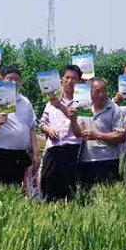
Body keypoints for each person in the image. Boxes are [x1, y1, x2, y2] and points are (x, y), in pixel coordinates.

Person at [0, 67, 37, 188]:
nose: (13, 82)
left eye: (17, 79)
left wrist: (35, 153)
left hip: (21, 155)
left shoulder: (25, 102)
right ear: (1, 79)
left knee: (20, 191)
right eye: (10, 79)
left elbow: (31, 128)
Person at [38, 64, 84, 201]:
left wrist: (60, 107)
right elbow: (42, 123)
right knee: (47, 180)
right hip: (53, 147)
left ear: (79, 81)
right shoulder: (51, 102)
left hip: (72, 149)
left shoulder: (82, 103)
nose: (70, 81)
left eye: (74, 78)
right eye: (67, 78)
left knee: (67, 186)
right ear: (61, 80)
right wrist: (48, 129)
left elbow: (79, 129)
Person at [78, 78, 126, 186]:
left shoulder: (114, 109)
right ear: (89, 93)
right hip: (86, 160)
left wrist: (97, 135)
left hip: (108, 160)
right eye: (97, 92)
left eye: (104, 91)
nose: (101, 95)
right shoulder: (82, 107)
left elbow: (121, 136)